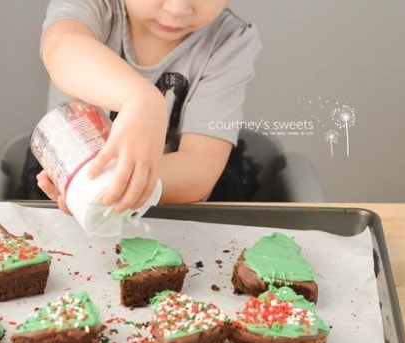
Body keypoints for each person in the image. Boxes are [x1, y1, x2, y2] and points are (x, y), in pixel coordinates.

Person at [21, 0, 262, 214]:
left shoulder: (230, 40)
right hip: (71, 172)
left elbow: (200, 167)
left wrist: (107, 186)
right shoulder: (93, 6)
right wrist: (141, 99)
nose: (177, 9)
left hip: (169, 190)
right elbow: (62, 49)